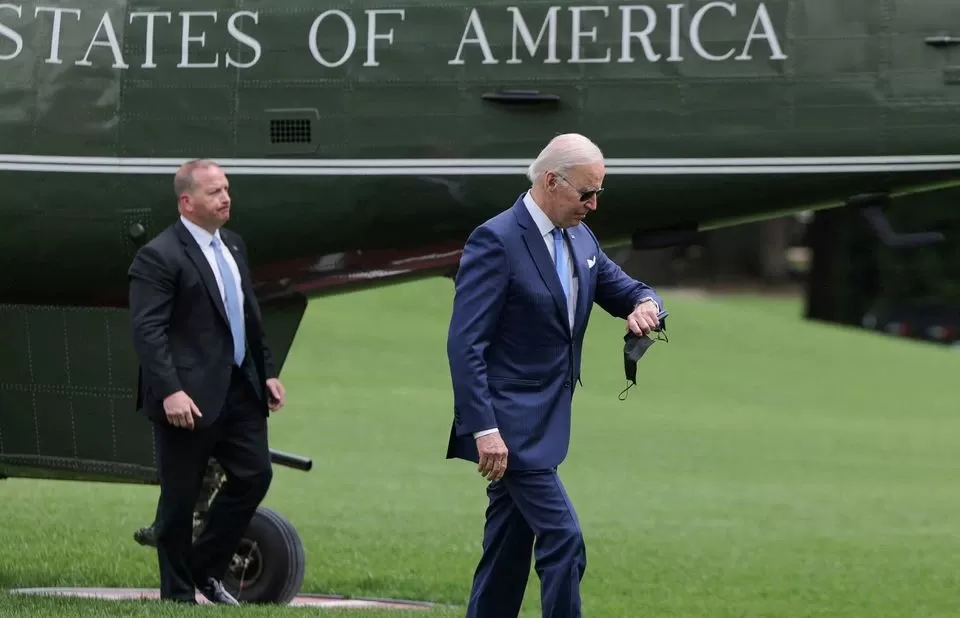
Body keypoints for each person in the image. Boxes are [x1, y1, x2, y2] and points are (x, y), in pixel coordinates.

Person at [445, 134, 664, 618]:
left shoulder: (581, 237)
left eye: (599, 193)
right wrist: (484, 429)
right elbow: (465, 344)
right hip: (510, 428)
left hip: (549, 421)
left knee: (506, 550)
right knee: (564, 539)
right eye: (586, 193)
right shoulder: (496, 240)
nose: (593, 205)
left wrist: (647, 307)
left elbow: (629, 290)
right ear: (550, 181)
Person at [128, 159, 287, 605]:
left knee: (255, 475)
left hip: (241, 388)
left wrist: (268, 371)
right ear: (187, 201)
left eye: (226, 189)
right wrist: (171, 390)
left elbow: (248, 317)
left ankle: (204, 569)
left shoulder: (233, 246)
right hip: (186, 396)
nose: (225, 197)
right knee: (179, 500)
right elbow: (147, 331)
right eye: (214, 191)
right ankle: (177, 596)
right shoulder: (159, 255)